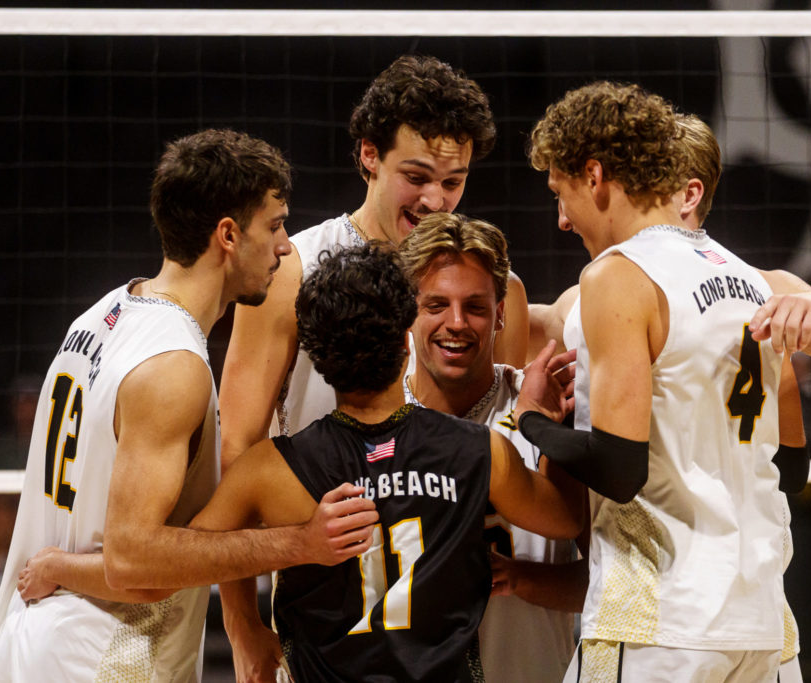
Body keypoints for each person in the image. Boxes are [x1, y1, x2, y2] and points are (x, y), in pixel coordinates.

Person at [517, 82, 811, 681]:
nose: (562, 217)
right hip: (762, 623)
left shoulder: (615, 278)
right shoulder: (757, 282)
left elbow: (621, 471)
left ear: (594, 175)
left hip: (662, 619)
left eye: (560, 191)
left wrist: (529, 421)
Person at [0, 129, 378, 682]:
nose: (286, 247)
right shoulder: (174, 365)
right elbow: (134, 560)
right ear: (229, 235)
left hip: (34, 641)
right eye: (276, 224)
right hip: (96, 656)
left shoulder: (101, 317)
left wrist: (61, 567)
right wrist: (300, 543)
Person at [191, 243, 582, 682]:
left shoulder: (271, 469)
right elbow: (567, 519)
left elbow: (185, 558)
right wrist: (544, 425)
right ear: (405, 339)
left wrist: (295, 545)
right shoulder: (479, 450)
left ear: (317, 358)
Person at [219, 54, 528, 471]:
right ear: (369, 154)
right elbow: (238, 442)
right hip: (321, 522)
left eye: (453, 181)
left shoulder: (492, 288)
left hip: (444, 527)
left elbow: (508, 440)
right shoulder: (293, 269)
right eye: (416, 177)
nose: (435, 201)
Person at [398, 212, 586, 683]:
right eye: (436, 304)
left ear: (502, 311)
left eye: (476, 307)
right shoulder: (373, 419)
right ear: (407, 309)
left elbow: (612, 585)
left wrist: (519, 578)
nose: (456, 323)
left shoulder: (551, 414)